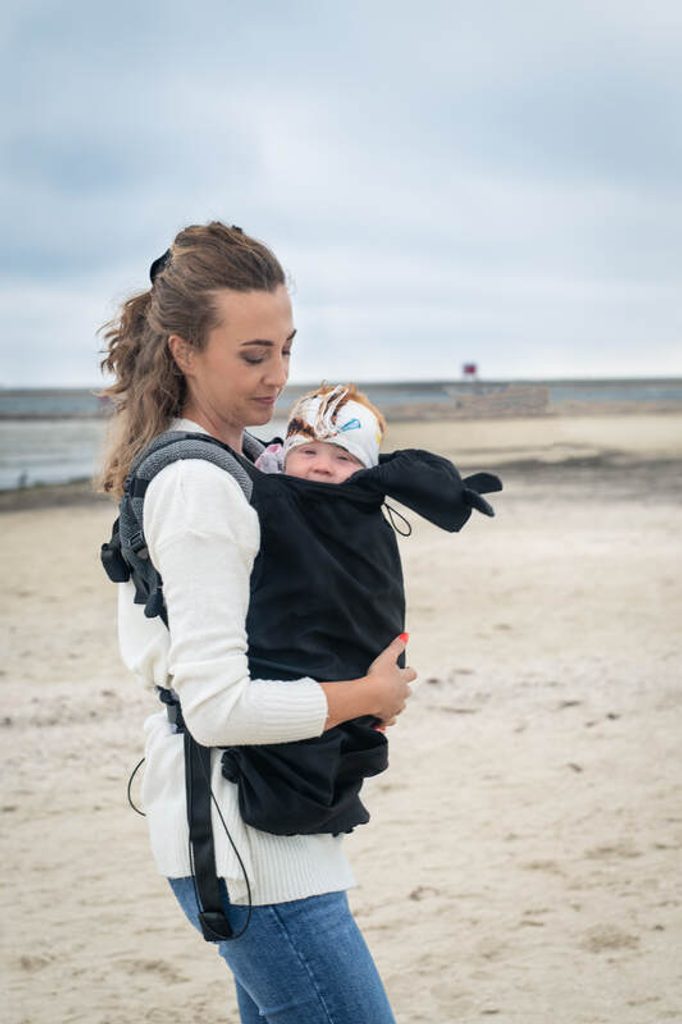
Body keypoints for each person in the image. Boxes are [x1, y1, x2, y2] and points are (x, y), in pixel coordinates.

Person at [99, 221, 416, 1024]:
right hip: (246, 844)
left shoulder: (247, 463)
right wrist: (364, 695)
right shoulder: (200, 486)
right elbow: (216, 708)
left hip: (271, 824)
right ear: (183, 351)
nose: (278, 375)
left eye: (285, 348)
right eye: (252, 355)